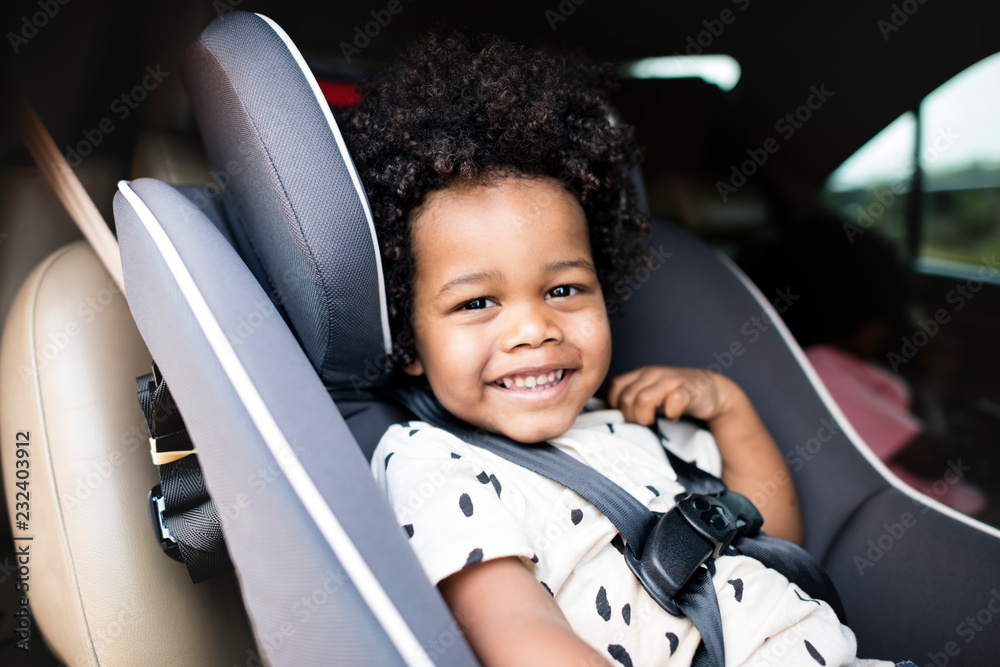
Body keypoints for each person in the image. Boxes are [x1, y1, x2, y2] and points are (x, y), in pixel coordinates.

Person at [342, 33, 902, 667]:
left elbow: (774, 546)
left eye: (563, 289)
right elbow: (522, 639)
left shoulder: (637, 424)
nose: (535, 329)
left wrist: (729, 410)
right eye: (477, 303)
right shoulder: (432, 463)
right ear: (409, 341)